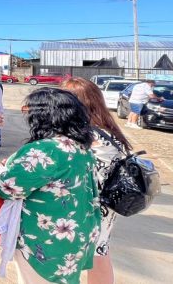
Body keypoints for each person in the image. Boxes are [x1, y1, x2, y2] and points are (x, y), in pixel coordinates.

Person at [0, 88, 101, 284]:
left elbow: (8, 187)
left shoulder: (45, 150)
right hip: (78, 234)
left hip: (44, 239)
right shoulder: (81, 148)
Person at [61, 77, 132, 284]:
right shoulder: (109, 131)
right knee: (100, 251)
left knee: (68, 253)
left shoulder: (85, 135)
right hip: (106, 206)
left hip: (88, 203)